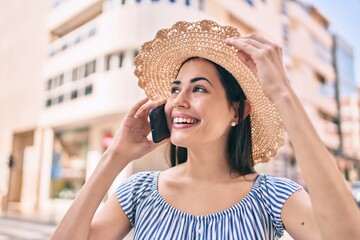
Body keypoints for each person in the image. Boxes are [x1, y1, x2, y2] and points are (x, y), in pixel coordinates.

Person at [50, 20, 360, 240]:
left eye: (198, 89)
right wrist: (115, 156)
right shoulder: (138, 191)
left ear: (236, 111)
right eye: (175, 89)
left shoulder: (273, 196)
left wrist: (283, 94)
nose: (179, 101)